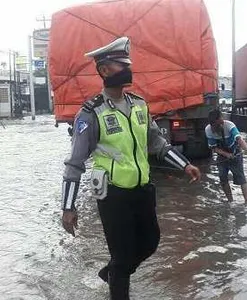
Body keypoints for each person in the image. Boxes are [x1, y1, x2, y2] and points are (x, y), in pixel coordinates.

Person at [60, 36, 201, 299]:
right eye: (121, 65)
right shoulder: (91, 113)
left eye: (128, 63)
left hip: (143, 189)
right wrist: (68, 207)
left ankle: (112, 272)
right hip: (113, 194)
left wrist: (185, 165)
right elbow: (75, 163)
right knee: (123, 256)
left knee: (150, 242)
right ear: (104, 71)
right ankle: (117, 278)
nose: (128, 69)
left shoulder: (139, 104)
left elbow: (156, 141)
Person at [205, 108, 247, 205]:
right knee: (223, 178)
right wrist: (226, 154)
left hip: (235, 154)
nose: (221, 124)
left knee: (241, 178)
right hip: (222, 156)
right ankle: (230, 201)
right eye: (219, 123)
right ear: (213, 123)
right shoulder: (208, 130)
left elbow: (239, 140)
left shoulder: (230, 125)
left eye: (222, 121)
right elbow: (213, 148)